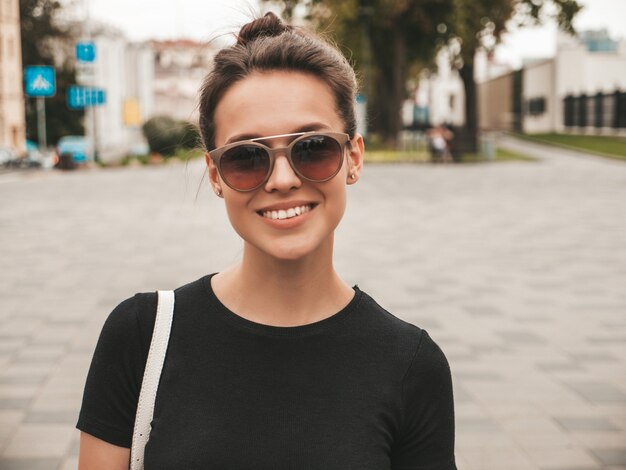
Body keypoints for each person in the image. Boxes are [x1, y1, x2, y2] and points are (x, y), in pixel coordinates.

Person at [77, 12, 456, 469]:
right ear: (215, 174)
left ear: (354, 157)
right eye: (246, 157)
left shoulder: (411, 365)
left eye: (313, 147)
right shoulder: (141, 336)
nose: (281, 179)